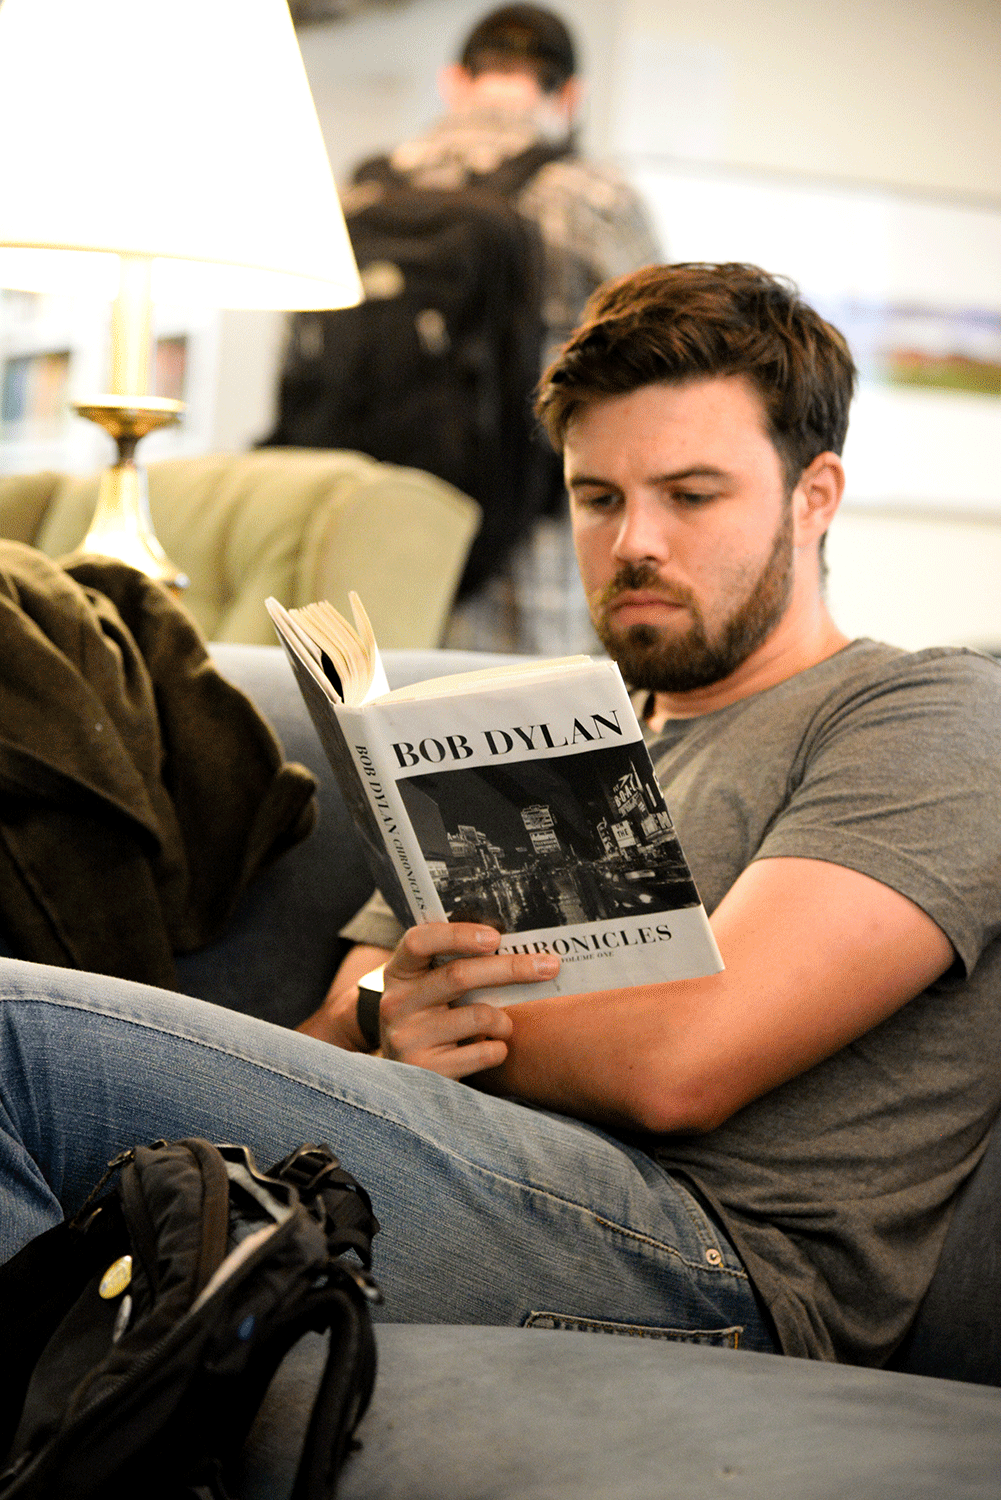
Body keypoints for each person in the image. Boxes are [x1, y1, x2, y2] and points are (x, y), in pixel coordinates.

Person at [3, 264, 1000, 1374]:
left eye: (692, 495)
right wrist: (390, 1024)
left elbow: (683, 1064)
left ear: (813, 495)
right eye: (598, 497)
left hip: (718, 1262)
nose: (633, 544)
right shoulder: (541, 732)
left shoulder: (927, 713)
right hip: (483, 1168)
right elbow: (350, 1012)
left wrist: (450, 1027)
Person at [395, 3, 660, 655]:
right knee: (514, 738)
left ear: (453, 82)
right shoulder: (590, 197)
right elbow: (662, 360)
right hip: (524, 550)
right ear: (570, 95)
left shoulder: (367, 191)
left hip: (372, 533)